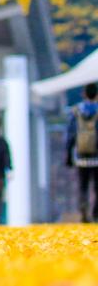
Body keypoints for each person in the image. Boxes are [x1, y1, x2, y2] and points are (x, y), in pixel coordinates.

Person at [67, 82, 98, 222]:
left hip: (81, 154)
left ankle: (83, 209)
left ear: (84, 94)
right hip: (96, 154)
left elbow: (71, 134)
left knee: (83, 184)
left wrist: (68, 153)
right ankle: (96, 211)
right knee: (97, 185)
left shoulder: (77, 111)